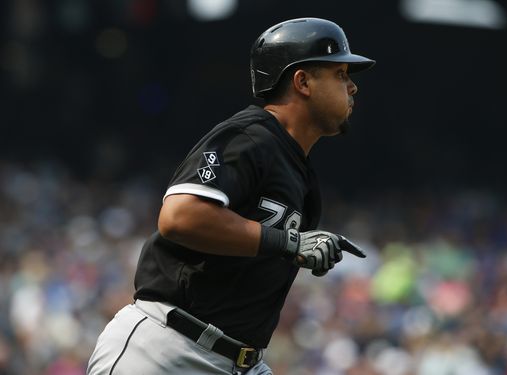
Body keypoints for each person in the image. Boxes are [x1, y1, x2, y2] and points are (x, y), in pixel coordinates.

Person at [87, 17, 375, 375]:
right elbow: (180, 216)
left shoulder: (298, 171)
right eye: (341, 74)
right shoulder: (249, 137)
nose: (352, 87)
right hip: (168, 348)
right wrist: (288, 242)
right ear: (302, 81)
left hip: (239, 362)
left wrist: (298, 249)